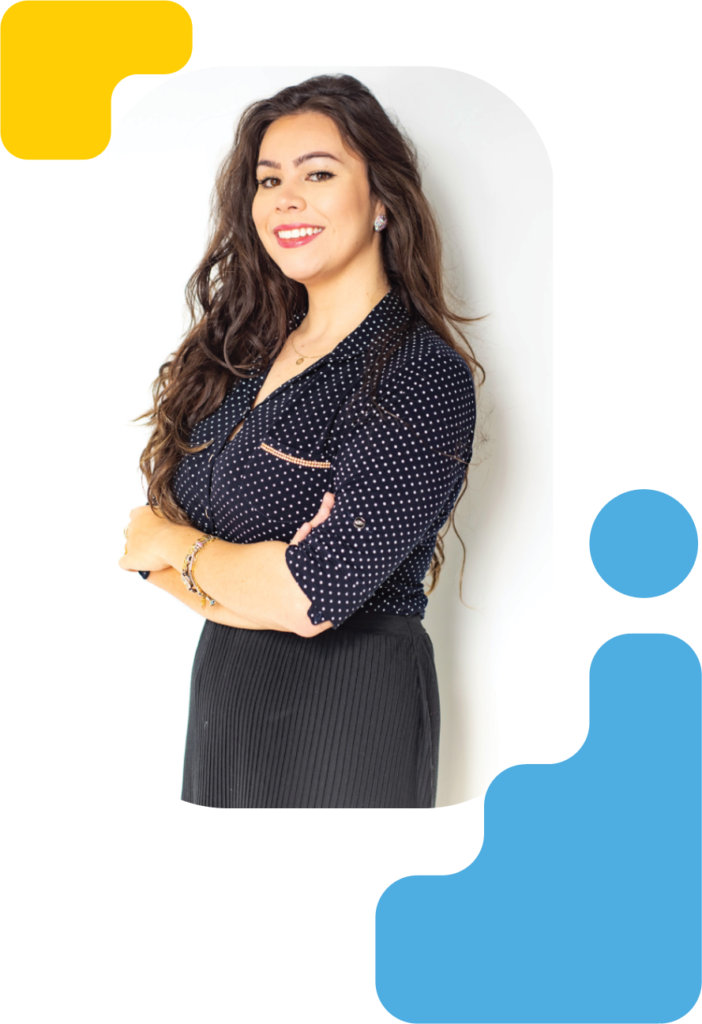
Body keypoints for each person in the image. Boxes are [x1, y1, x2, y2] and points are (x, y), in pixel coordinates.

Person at [119, 73, 482, 809]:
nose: (286, 197)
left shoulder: (418, 373)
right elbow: (147, 559)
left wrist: (178, 547)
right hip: (227, 697)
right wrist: (253, 572)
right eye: (268, 179)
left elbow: (310, 596)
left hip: (348, 708)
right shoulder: (241, 359)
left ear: (381, 198)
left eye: (318, 173)